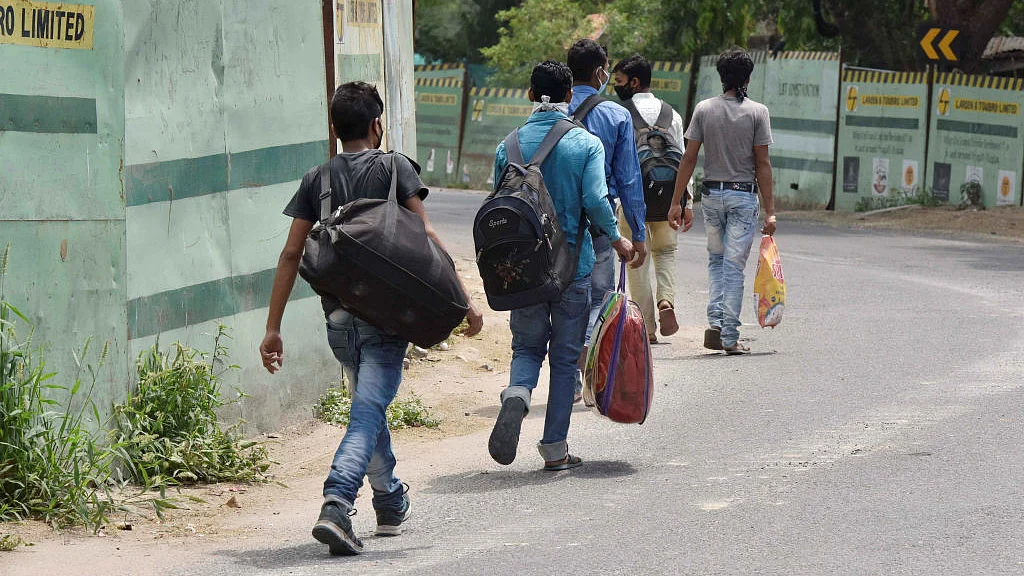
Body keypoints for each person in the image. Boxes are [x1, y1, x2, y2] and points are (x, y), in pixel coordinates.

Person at [259, 81, 483, 556]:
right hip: (387, 319)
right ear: (376, 125)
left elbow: (290, 254)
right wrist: (464, 300)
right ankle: (338, 501)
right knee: (367, 411)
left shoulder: (316, 179)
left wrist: (273, 327)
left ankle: (388, 500)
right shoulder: (394, 167)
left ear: (334, 128)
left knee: (369, 405)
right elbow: (425, 236)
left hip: (339, 322)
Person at [487, 61, 634, 471]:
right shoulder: (585, 144)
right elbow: (595, 202)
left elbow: (499, 206)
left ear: (531, 95)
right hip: (573, 266)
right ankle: (554, 448)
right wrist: (618, 239)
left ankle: (516, 394)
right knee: (565, 359)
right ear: (570, 96)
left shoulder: (508, 146)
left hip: (522, 270)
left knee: (527, 346)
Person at [668, 48, 776, 355]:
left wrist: (676, 202)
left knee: (717, 262)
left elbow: (689, 157)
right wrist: (770, 212)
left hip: (712, 197)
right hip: (743, 197)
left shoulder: (704, 109)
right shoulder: (757, 112)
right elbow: (762, 164)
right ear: (748, 77)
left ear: (721, 76)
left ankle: (715, 324)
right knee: (733, 268)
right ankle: (730, 336)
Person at [566, 39, 646, 400]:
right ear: (600, 72)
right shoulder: (616, 116)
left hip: (556, 221)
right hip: (600, 222)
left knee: (562, 294)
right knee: (598, 296)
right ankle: (583, 366)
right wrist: (638, 233)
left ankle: (564, 374)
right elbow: (629, 179)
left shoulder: (554, 110)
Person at [611, 54, 695, 341]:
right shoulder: (672, 114)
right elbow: (684, 160)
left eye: (619, 81)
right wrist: (686, 202)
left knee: (636, 260)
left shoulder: (619, 113)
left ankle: (646, 327)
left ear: (634, 82)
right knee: (666, 252)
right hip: (668, 199)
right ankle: (666, 300)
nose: (616, 87)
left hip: (632, 200)